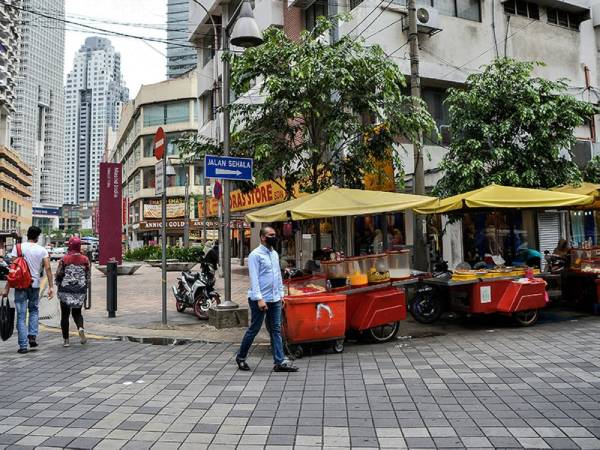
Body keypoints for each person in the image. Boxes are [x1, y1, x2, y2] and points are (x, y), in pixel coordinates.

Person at [236, 226, 298, 373]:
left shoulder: (274, 254)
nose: (274, 237)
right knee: (254, 329)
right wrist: (259, 299)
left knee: (275, 330)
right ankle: (241, 357)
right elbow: (254, 279)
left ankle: (279, 361)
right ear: (263, 237)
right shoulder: (255, 255)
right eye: (271, 235)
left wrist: (281, 295)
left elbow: (277, 277)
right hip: (260, 299)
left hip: (275, 298)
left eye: (275, 234)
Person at [2, 226, 54, 354]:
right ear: (37, 237)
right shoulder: (42, 250)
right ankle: (32, 336)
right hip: (35, 285)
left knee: (20, 315)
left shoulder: (18, 247)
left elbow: (13, 270)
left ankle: (23, 346)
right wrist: (51, 287)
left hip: (20, 285)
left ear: (27, 236)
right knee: (34, 310)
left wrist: (7, 288)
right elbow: (47, 269)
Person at [55, 237, 90, 347]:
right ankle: (80, 328)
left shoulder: (64, 259)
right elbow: (87, 275)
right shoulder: (85, 259)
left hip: (65, 290)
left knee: (65, 315)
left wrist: (58, 284)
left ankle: (66, 341)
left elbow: (59, 274)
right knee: (77, 313)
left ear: (70, 245)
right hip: (79, 290)